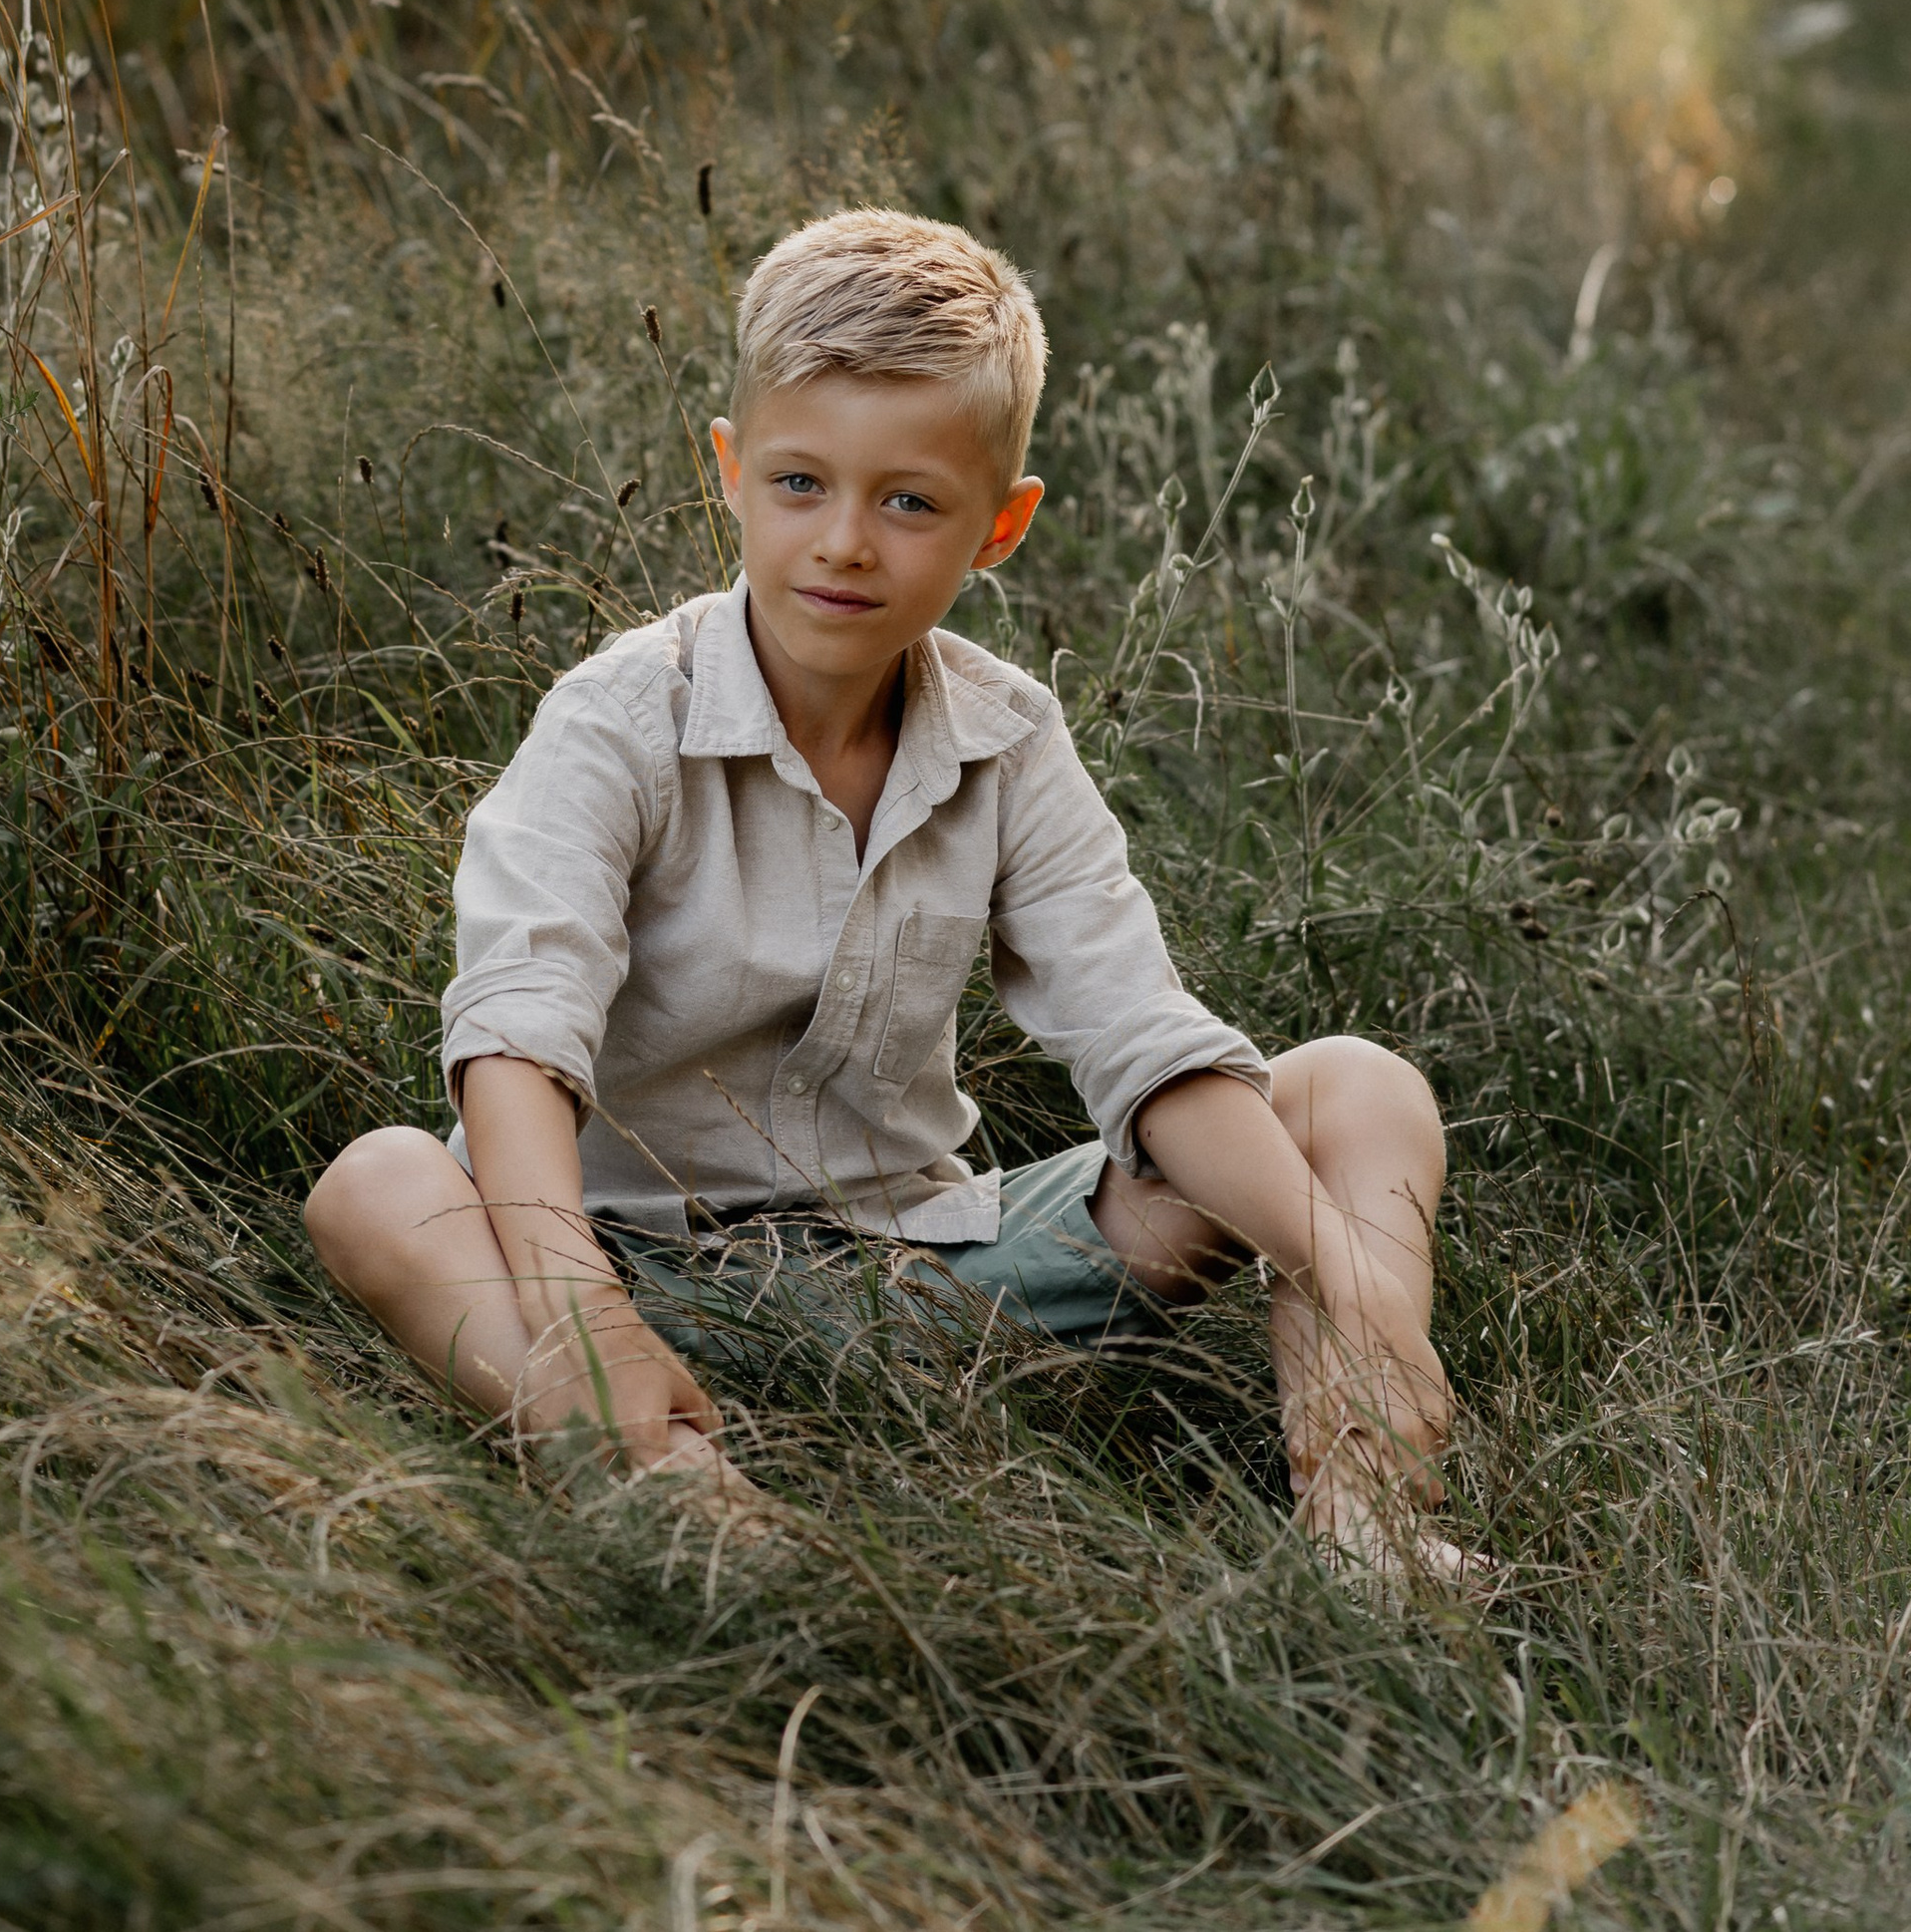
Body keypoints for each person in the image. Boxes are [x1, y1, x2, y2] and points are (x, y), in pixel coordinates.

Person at [307, 205, 1468, 1582]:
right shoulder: (619, 720)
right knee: (379, 1185)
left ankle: (1367, 1531)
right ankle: (674, 1496)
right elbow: (517, 1032)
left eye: (909, 501)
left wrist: (1356, 1287)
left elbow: (1140, 1040)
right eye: (802, 484)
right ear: (730, 474)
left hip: (930, 1272)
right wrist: (589, 1321)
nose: (846, 542)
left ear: (1000, 526)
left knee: (1355, 1090)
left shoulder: (1006, 736)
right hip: (632, 1276)